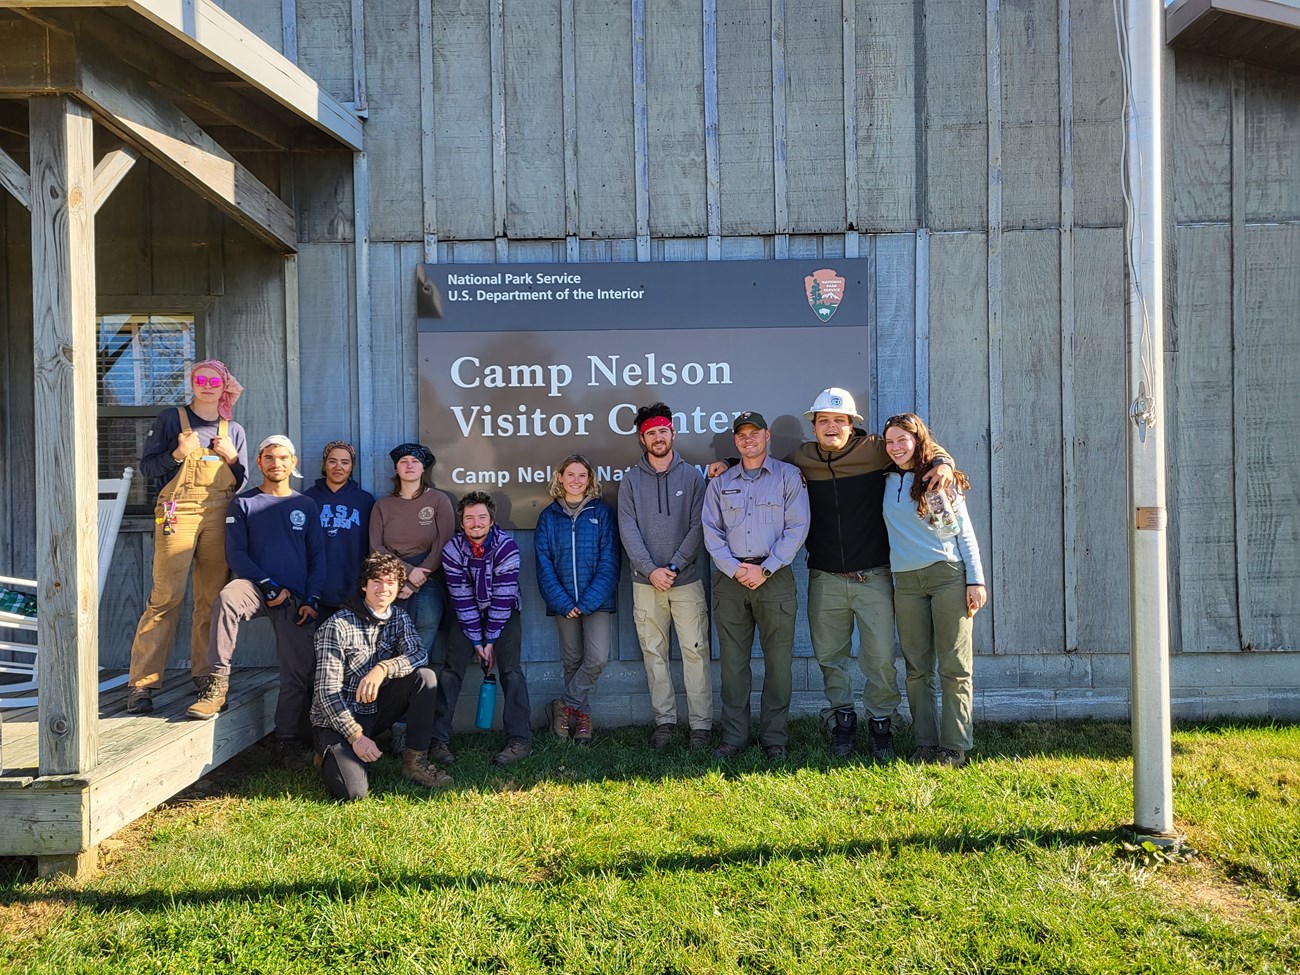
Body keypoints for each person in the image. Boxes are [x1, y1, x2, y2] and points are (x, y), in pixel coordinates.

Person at [785, 388, 953, 761]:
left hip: (873, 576)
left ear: (852, 424)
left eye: (839, 420)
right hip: (824, 577)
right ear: (813, 426)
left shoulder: (877, 450)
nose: (831, 427)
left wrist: (941, 460)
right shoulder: (802, 457)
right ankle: (842, 722)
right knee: (830, 657)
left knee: (878, 658)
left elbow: (920, 448)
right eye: (823, 421)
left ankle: (882, 724)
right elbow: (760, 463)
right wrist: (727, 462)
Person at [188, 436, 325, 768]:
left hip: (294, 597)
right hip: (255, 587)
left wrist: (313, 600)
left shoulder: (305, 505)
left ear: (293, 463)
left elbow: (317, 557)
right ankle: (216, 687)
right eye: (268, 458)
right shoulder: (244, 503)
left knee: (296, 672)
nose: (276, 463)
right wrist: (267, 586)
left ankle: (286, 740)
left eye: (282, 458)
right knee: (226, 599)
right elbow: (236, 554)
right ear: (260, 463)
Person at [124, 360, 247, 714]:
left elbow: (240, 481)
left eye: (215, 380)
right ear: (192, 383)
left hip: (219, 513)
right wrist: (178, 453)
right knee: (166, 598)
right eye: (201, 379)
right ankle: (142, 684)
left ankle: (207, 677)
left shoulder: (232, 428)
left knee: (210, 600)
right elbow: (148, 468)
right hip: (177, 512)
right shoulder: (171, 420)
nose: (208, 385)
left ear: (225, 385)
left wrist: (234, 458)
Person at [701, 411, 809, 761]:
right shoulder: (720, 481)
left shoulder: (789, 477)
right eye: (741, 435)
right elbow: (711, 530)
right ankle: (734, 736)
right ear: (735, 441)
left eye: (754, 433)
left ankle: (774, 737)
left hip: (773, 578)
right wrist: (735, 569)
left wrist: (765, 570)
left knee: (778, 665)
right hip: (730, 581)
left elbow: (797, 528)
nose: (748, 439)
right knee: (733, 665)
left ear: (767, 436)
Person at [882, 413, 986, 768]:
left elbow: (962, 535)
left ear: (918, 440)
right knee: (916, 667)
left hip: (946, 576)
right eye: (890, 441)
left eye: (902, 440)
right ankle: (925, 744)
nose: (895, 448)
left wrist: (976, 580)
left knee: (954, 667)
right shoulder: (884, 478)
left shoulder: (935, 480)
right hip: (906, 582)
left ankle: (954, 747)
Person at [311, 553, 452, 800]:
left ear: (399, 588)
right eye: (376, 581)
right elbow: (326, 694)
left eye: (390, 582)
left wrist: (384, 668)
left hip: (374, 709)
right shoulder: (337, 626)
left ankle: (415, 763)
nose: (383, 588)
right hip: (338, 717)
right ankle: (327, 750)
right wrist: (356, 736)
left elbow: (419, 653)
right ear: (364, 585)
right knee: (353, 792)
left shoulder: (399, 617)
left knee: (425, 677)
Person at [617, 403, 713, 751]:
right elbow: (627, 530)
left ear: (672, 433)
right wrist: (651, 569)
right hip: (646, 584)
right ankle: (666, 722)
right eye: (651, 433)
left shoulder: (692, 478)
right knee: (654, 653)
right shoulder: (630, 481)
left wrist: (672, 567)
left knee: (695, 652)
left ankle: (700, 726)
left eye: (663, 431)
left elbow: (697, 527)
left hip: (686, 581)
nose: (658, 438)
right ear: (642, 439)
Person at [428, 491, 532, 768]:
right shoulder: (452, 550)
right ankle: (438, 740)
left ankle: (520, 739)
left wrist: (490, 640)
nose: (476, 523)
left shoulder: (506, 547)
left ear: (491, 520)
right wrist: (477, 640)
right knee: (450, 671)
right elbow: (461, 597)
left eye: (482, 517)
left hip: (504, 612)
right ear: (461, 523)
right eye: (469, 518)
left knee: (512, 672)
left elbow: (503, 596)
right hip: (466, 614)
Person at [535, 454, 620, 745]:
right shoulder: (549, 515)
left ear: (590, 479)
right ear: (560, 478)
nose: (575, 480)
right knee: (572, 660)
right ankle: (581, 718)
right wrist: (562, 601)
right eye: (570, 474)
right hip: (562, 602)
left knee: (596, 658)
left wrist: (587, 602)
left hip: (595, 601)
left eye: (581, 475)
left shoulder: (602, 512)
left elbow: (609, 560)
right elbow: (543, 562)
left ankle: (563, 704)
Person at [369, 443, 455, 660]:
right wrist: (406, 574)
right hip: (391, 583)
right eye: (403, 462)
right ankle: (393, 690)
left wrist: (418, 577)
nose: (409, 466)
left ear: (423, 468)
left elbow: (444, 541)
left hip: (430, 579)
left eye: (415, 461)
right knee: (390, 641)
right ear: (396, 468)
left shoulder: (438, 500)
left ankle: (419, 688)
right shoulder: (382, 505)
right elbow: (375, 547)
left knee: (422, 640)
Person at [304, 441, 375, 619]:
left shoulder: (365, 501)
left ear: (352, 467)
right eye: (332, 461)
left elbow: (372, 546)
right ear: (324, 464)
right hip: (315, 591)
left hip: (354, 590)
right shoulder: (307, 499)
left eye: (345, 462)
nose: (338, 467)